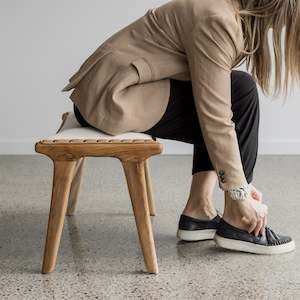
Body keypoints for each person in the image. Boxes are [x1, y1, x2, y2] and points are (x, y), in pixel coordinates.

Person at [64, 0, 299, 254]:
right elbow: (215, 115)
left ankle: (198, 211)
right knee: (237, 96)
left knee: (238, 89)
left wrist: (239, 180)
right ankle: (238, 219)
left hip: (114, 88)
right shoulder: (218, 18)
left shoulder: (223, 10)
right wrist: (239, 190)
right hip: (110, 98)